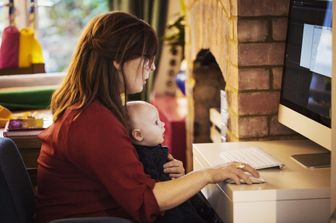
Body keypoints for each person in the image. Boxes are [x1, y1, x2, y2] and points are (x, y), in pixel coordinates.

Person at [36, 11, 259, 223]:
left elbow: (126, 176)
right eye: (147, 58)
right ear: (118, 60)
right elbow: (149, 200)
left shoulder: (91, 110)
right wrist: (209, 174)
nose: (152, 67)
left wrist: (169, 175)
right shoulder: (93, 121)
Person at [127, 101, 206, 223]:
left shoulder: (147, 152)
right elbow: (164, 195)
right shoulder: (149, 159)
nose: (163, 124)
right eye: (156, 122)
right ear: (138, 135)